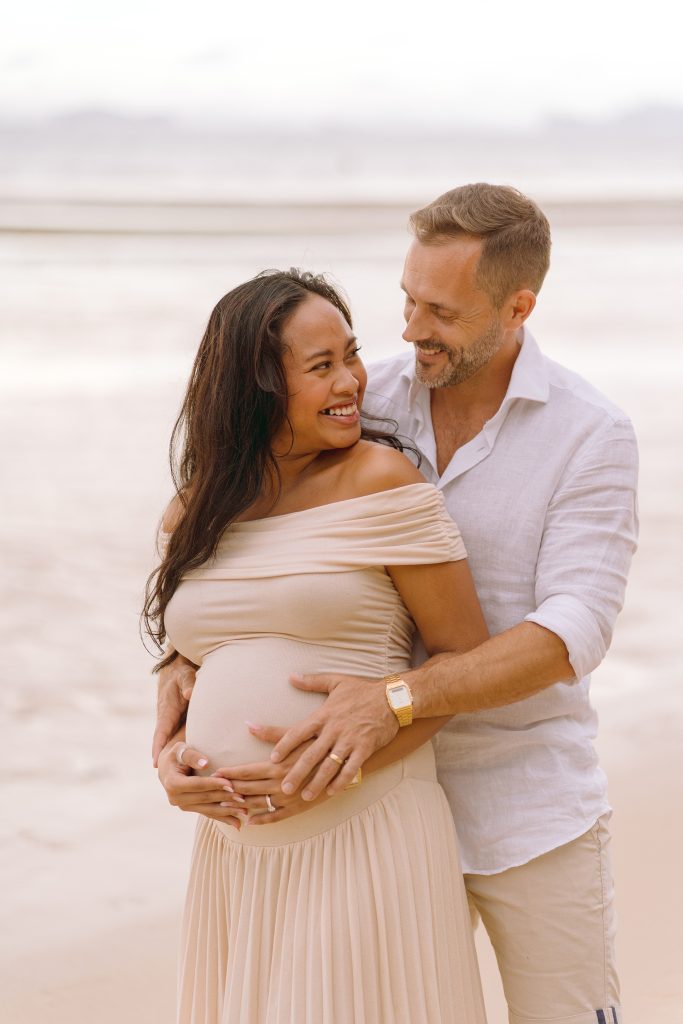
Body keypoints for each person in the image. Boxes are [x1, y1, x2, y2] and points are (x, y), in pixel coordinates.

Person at [155, 185, 638, 1024]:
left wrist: (397, 699)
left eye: (440, 311)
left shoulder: (589, 434)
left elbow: (571, 633)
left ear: (516, 307)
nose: (410, 329)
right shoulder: (360, 397)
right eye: (407, 300)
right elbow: (261, 550)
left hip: (522, 800)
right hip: (353, 815)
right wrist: (183, 669)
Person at [147, 269, 490, 1023]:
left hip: (364, 828)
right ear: (256, 387)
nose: (352, 383)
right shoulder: (195, 511)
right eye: (321, 366)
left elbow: (464, 665)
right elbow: (201, 659)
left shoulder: (380, 481)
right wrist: (170, 758)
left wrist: (355, 753)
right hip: (237, 851)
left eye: (351, 355)